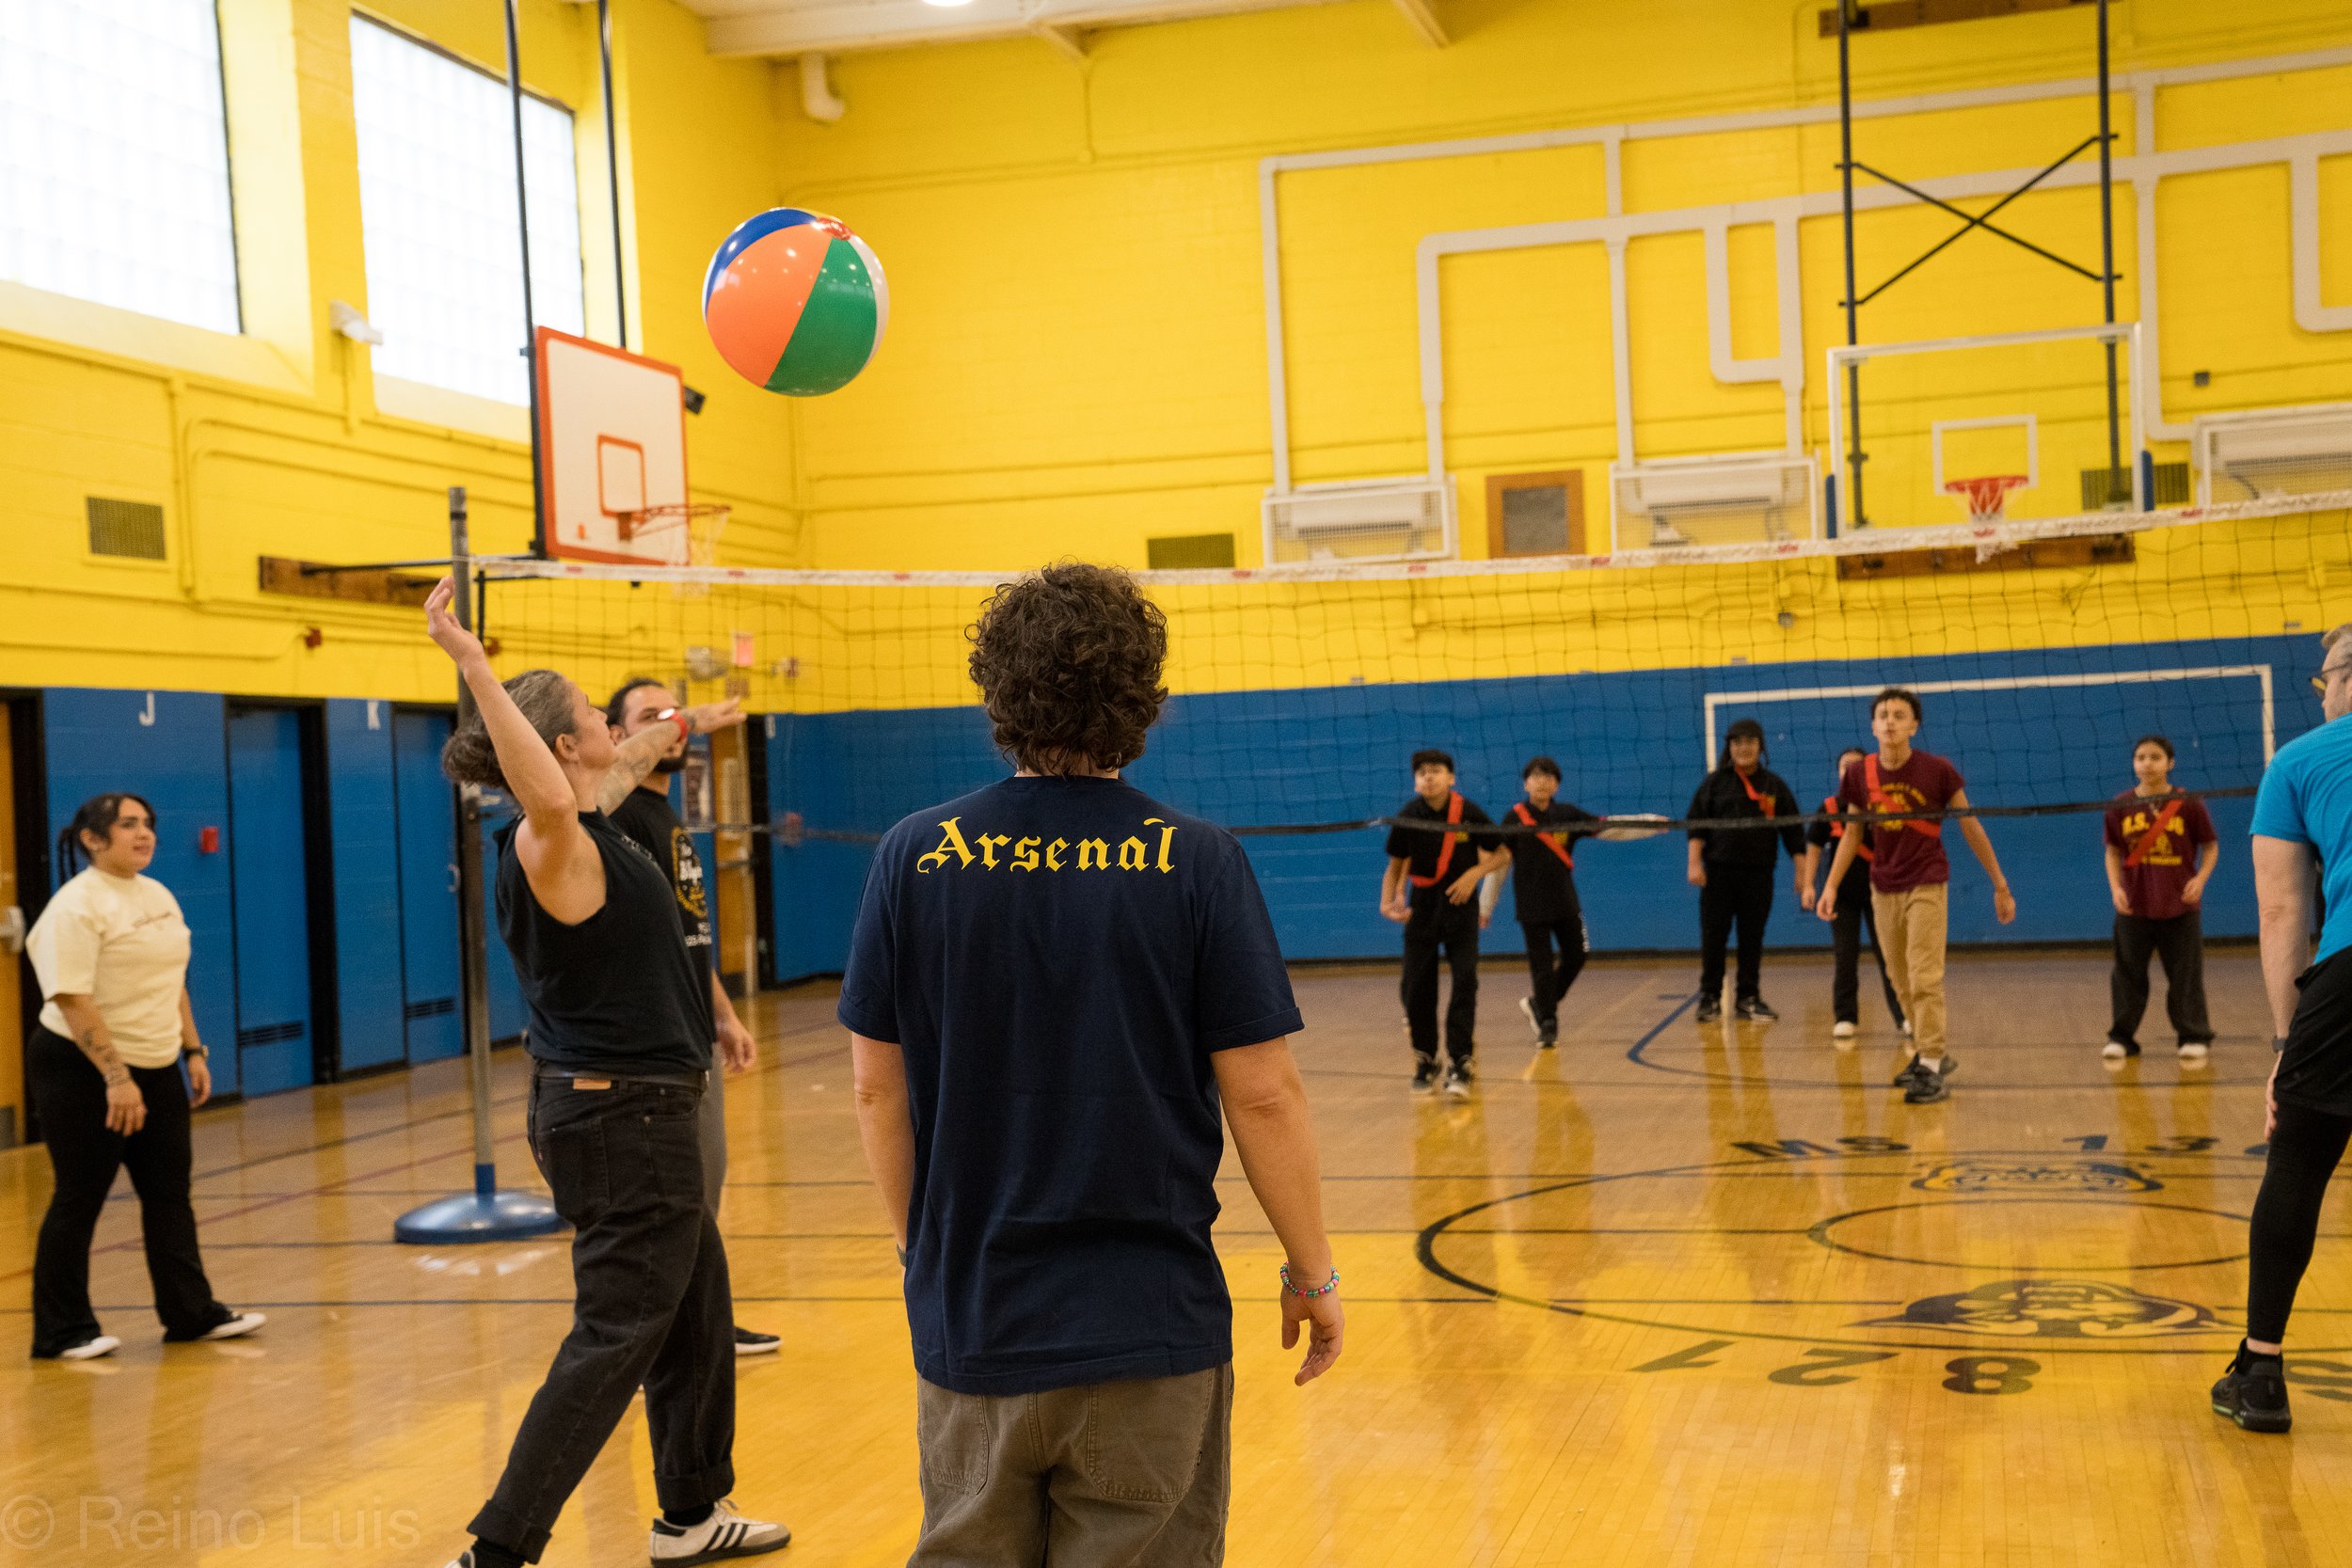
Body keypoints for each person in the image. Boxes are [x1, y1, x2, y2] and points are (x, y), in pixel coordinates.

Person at [838, 562, 1342, 1566]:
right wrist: (1312, 1270)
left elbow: (874, 1084)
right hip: (1148, 1327)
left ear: (997, 688)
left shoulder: (912, 853)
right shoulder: (1197, 859)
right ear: (1141, 694)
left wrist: (921, 1253)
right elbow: (1263, 1092)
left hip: (976, 1320)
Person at [421, 580, 787, 1568]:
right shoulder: (553, 840)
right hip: (622, 1117)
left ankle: (692, 1509)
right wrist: (474, 664)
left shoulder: (596, 817)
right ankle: (499, 1546)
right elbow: (547, 784)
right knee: (619, 1329)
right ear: (558, 744)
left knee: (696, 1305)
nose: (601, 722)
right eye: (588, 711)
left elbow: (613, 759)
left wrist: (688, 717)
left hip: (630, 1108)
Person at [24, 793, 264, 1361]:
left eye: (149, 824)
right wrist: (115, 1076)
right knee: (80, 1195)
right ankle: (61, 1332)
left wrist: (193, 1050)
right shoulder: (76, 906)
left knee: (169, 1194)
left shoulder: (156, 893)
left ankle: (189, 1313)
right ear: (93, 839)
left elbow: (172, 978)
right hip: (82, 1067)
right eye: (129, 825)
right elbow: (71, 997)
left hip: (157, 1065)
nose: (145, 834)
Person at [602, 677, 780, 1357]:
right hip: (649, 1048)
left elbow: (688, 937)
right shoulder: (616, 817)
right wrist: (689, 720)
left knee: (706, 1187)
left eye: (673, 713)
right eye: (651, 718)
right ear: (620, 737)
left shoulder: (670, 820)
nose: (670, 726)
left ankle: (698, 1324)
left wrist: (726, 1016)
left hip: (691, 1033)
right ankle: (673, 1334)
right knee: (672, 1200)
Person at [2212, 626, 2352, 1434]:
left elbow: (2280, 911)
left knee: (2298, 1157)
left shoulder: (2298, 761)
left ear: (2335, 682)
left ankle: (2261, 1371)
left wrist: (2284, 1046)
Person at [1817, 688, 2017, 1105]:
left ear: (1913, 725)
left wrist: (1999, 883)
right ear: (1873, 726)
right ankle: (1931, 1054)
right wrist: (1831, 884)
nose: (1890, 721)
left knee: (1925, 975)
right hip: (1881, 884)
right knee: (1899, 978)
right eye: (1883, 715)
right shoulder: (1858, 775)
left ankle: (1929, 1060)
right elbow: (1852, 834)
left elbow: (1970, 826)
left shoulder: (1937, 770)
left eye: (1899, 714)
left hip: (1927, 880)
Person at [1379, 750, 1509, 1095]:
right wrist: (1388, 901)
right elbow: (1395, 866)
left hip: (1460, 908)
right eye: (1421, 772)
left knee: (1465, 982)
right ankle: (1426, 1058)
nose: (1428, 777)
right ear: (1415, 780)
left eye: (1435, 771)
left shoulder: (1468, 812)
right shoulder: (1408, 815)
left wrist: (1474, 875)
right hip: (1421, 910)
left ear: (1451, 778)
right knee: (1416, 988)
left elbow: (1502, 853)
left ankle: (1461, 1062)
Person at [2103, 735, 2219, 1063]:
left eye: (2155, 757)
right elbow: (2112, 851)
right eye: (2140, 757)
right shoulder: (2120, 804)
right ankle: (2121, 1038)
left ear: (2170, 763)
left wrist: (2200, 879)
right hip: (2134, 907)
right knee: (2127, 975)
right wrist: (2116, 888)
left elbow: (2210, 846)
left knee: (2185, 976)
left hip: (2180, 905)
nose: (2147, 763)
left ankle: (2193, 1036)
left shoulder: (2189, 803)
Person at [1684, 718, 1808, 1022]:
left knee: (1752, 938)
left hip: (1758, 875)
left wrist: (1802, 873)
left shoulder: (1774, 785)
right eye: (1737, 742)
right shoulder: (1714, 784)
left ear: (1760, 746)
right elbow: (1696, 826)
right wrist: (1694, 863)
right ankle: (1710, 998)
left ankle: (1748, 998)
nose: (1743, 747)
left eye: (1750, 742)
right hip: (1718, 875)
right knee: (1714, 938)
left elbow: (1793, 832)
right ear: (1730, 747)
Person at [1485, 756, 1599, 1049]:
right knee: (1542, 967)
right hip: (1532, 907)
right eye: (1536, 776)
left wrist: (1646, 824)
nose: (1542, 781)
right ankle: (1548, 1023)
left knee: (1578, 955)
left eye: (1548, 777)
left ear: (1557, 784)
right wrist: (1486, 906)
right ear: (1526, 783)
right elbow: (1499, 866)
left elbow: (1608, 828)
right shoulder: (1513, 819)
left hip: (1565, 902)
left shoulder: (1568, 814)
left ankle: (1539, 1002)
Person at [1804, 747, 1908, 1041]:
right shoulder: (1829, 807)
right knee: (1845, 958)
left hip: (1881, 892)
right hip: (1843, 897)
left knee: (1890, 957)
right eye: (1843, 767)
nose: (1849, 771)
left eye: (1855, 766)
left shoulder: (1883, 804)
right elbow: (1813, 846)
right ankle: (1846, 1017)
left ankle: (1903, 1017)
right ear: (1838, 773)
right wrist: (1811, 884)